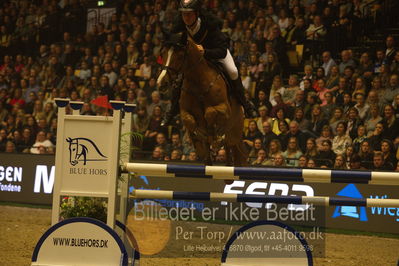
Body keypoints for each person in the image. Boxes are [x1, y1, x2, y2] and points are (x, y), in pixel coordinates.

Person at [161, 0, 257, 126]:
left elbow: (222, 51)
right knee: (179, 79)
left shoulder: (210, 25)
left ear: (196, 13)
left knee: (233, 71)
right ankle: (171, 111)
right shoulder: (180, 26)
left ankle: (246, 104)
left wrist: (205, 52)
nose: (186, 17)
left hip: (215, 53)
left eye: (189, 14)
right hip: (195, 61)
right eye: (184, 14)